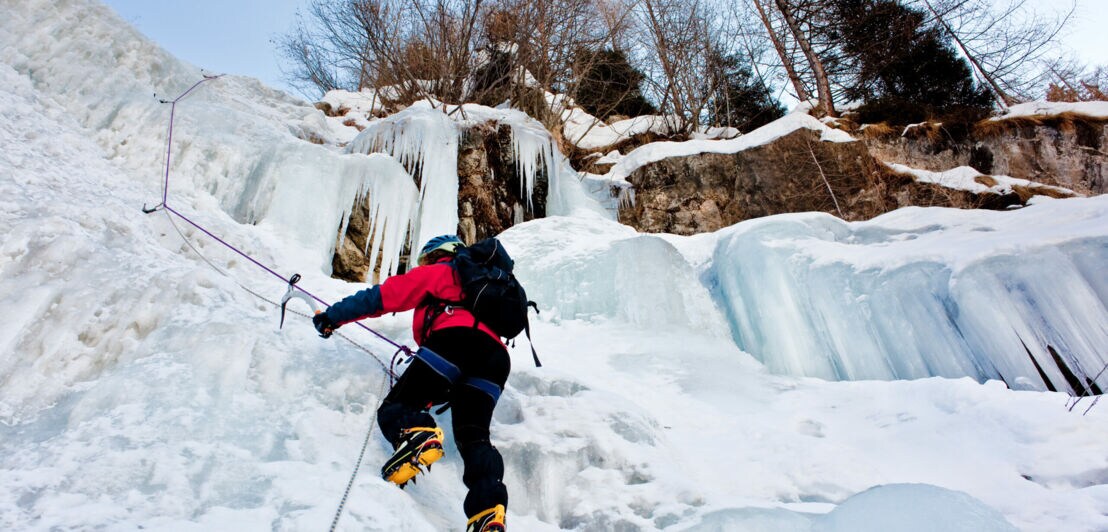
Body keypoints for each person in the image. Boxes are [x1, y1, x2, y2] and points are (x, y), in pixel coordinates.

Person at [312, 234, 509, 532]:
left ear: (437, 255)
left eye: (426, 258)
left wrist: (332, 316)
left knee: (397, 407)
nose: (425, 263)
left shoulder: (444, 271)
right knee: (475, 437)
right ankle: (488, 511)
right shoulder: (488, 285)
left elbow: (381, 297)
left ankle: (417, 434)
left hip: (456, 341)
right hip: (495, 361)